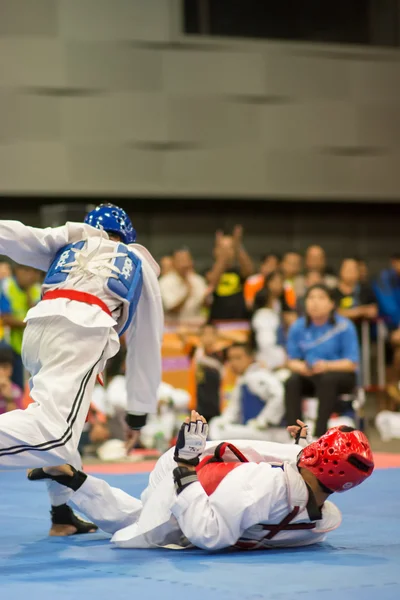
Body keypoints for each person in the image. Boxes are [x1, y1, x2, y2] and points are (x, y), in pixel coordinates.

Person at [28, 412, 374, 551]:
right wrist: (186, 469)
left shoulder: (272, 488)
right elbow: (209, 533)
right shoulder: (320, 517)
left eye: (319, 448)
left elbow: (209, 533)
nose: (312, 449)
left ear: (318, 463)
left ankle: (77, 482)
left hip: (197, 473)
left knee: (138, 521)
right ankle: (77, 484)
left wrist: (186, 470)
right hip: (201, 470)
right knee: (135, 522)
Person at [0, 203, 163, 474]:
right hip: (82, 329)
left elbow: (20, 236)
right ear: (127, 236)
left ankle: (62, 511)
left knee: (66, 435)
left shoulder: (73, 239)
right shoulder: (136, 262)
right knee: (55, 438)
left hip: (37, 327)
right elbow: (145, 341)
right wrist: (137, 413)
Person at [285, 285, 359, 438]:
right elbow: (291, 360)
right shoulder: (298, 327)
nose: (315, 302)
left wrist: (326, 366)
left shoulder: (344, 326)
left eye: (321, 298)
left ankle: (320, 435)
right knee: (291, 381)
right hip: (311, 374)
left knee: (327, 380)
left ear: (331, 303)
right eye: (311, 298)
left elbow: (351, 363)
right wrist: (301, 367)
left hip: (339, 375)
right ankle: (297, 435)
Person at [208, 343, 285, 441]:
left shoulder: (259, 376)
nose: (233, 362)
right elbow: (233, 409)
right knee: (216, 424)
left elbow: (279, 395)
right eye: (230, 358)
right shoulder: (243, 380)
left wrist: (264, 420)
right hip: (253, 430)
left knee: (219, 432)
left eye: (238, 358)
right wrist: (223, 421)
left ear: (250, 358)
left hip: (269, 432)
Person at [0, 264, 41, 389]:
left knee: (20, 389)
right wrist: (30, 322)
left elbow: (39, 317)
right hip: (6, 344)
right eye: (28, 271)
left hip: (27, 346)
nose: (32, 276)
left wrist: (28, 293)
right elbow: (6, 319)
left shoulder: (38, 290)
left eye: (35, 272)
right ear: (17, 270)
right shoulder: (6, 286)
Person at [207, 226, 254, 321]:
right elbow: (212, 281)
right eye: (223, 248)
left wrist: (237, 246)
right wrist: (223, 257)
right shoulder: (208, 270)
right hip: (217, 321)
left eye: (230, 248)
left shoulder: (238, 270)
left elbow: (249, 271)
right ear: (215, 250)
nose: (227, 252)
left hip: (239, 320)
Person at [251, 271, 292, 369]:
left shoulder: (283, 303)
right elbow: (266, 341)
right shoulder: (263, 314)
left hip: (282, 347)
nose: (278, 285)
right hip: (268, 356)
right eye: (275, 281)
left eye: (281, 282)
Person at [159, 249, 208, 322]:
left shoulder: (199, 280)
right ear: (173, 263)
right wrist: (187, 294)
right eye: (181, 260)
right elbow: (172, 309)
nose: (185, 264)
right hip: (172, 326)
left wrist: (207, 300)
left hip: (196, 324)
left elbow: (205, 306)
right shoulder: (165, 282)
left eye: (187, 260)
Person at [332, 258, 377, 326]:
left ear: (358, 272)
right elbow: (335, 313)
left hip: (363, 331)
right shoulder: (333, 292)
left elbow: (373, 312)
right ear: (341, 271)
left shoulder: (366, 290)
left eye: (353, 269)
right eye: (348, 269)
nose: (350, 272)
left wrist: (348, 313)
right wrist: (362, 311)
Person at [0, 346, 24, 415]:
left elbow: (16, 418)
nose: (0, 371)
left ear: (11, 370)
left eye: (5, 367)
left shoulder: (16, 391)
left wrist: (9, 399)